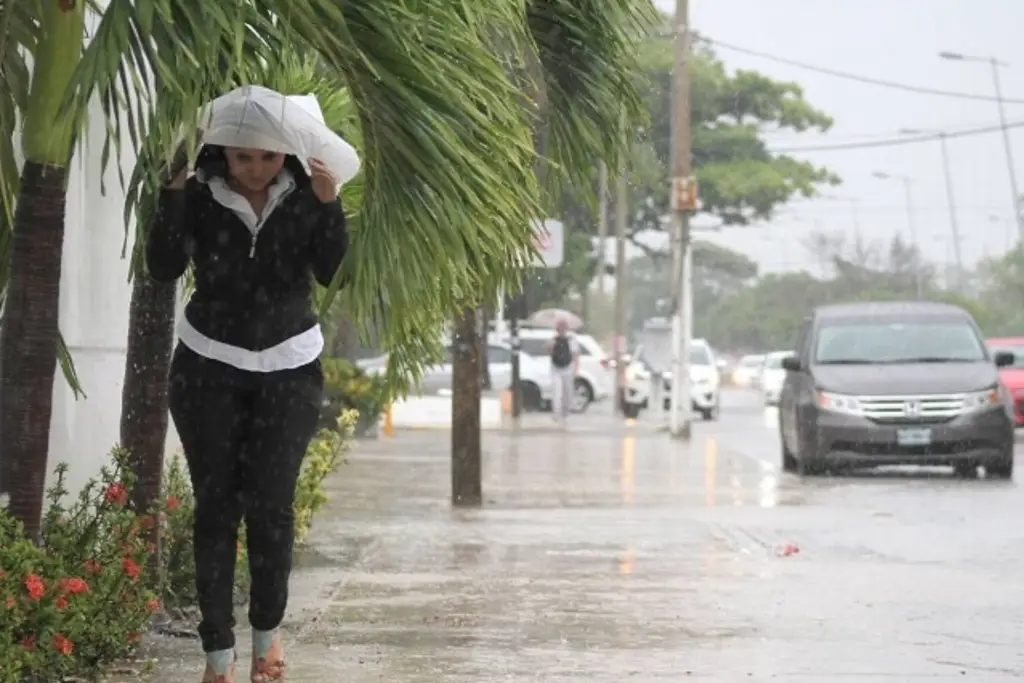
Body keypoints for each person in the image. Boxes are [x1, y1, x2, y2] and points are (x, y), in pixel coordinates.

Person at [147, 140, 347, 683]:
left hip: (291, 366)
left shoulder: (307, 196)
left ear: (286, 154)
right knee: (215, 507)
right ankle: (217, 656)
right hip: (208, 365)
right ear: (223, 154)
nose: (255, 169)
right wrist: (171, 195)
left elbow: (333, 271)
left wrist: (331, 205)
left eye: (268, 157)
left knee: (272, 505)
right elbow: (162, 266)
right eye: (242, 158)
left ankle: (267, 636)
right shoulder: (198, 196)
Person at [546, 317, 580, 421]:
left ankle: (565, 412)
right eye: (559, 327)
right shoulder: (553, 339)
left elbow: (575, 355)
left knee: (568, 392)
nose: (561, 330)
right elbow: (549, 352)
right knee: (556, 392)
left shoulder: (571, 340)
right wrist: (551, 346)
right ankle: (556, 413)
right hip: (556, 368)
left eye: (563, 327)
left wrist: (576, 369)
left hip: (568, 368)